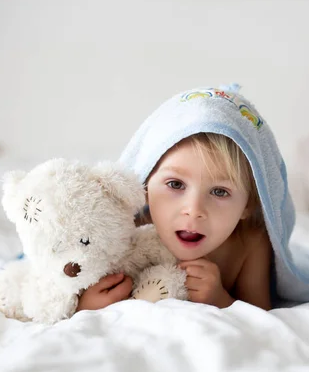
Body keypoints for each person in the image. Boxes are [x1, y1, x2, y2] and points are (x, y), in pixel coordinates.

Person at [78, 84, 295, 312]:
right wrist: (87, 305)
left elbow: (260, 315)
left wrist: (220, 299)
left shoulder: (249, 244)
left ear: (248, 205)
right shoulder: (125, 235)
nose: (193, 209)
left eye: (220, 191)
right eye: (175, 184)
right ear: (145, 186)